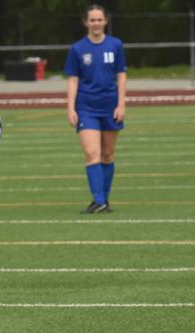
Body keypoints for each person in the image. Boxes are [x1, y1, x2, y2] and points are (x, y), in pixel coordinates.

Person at [64, 4, 127, 214]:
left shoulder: (115, 45)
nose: (96, 23)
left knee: (108, 155)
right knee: (92, 153)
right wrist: (71, 107)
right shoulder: (78, 49)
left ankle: (104, 200)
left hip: (110, 107)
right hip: (86, 108)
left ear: (105, 21)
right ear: (86, 23)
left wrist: (121, 104)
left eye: (99, 20)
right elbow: (73, 80)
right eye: (92, 20)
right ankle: (98, 200)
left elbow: (121, 76)